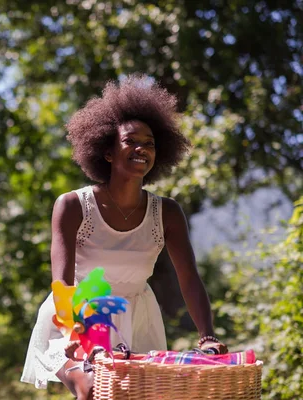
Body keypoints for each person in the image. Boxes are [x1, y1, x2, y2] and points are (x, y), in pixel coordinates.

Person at [20, 75, 227, 399]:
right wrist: (74, 332)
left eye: (150, 143)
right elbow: (62, 283)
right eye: (131, 141)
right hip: (76, 318)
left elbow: (189, 279)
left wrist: (207, 336)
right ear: (107, 151)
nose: (142, 148)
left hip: (137, 319)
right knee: (92, 390)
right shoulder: (73, 206)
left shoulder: (168, 213)